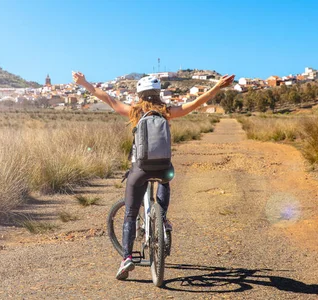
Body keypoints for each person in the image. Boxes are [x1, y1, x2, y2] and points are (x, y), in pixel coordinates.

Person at [72, 71, 235, 280]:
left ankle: (127, 258)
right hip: (164, 167)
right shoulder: (166, 112)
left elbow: (107, 97)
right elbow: (195, 104)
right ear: (158, 93)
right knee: (165, 180)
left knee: (130, 214)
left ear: (139, 94)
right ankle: (163, 219)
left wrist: (84, 82)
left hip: (140, 169)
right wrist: (217, 87)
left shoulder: (134, 112)